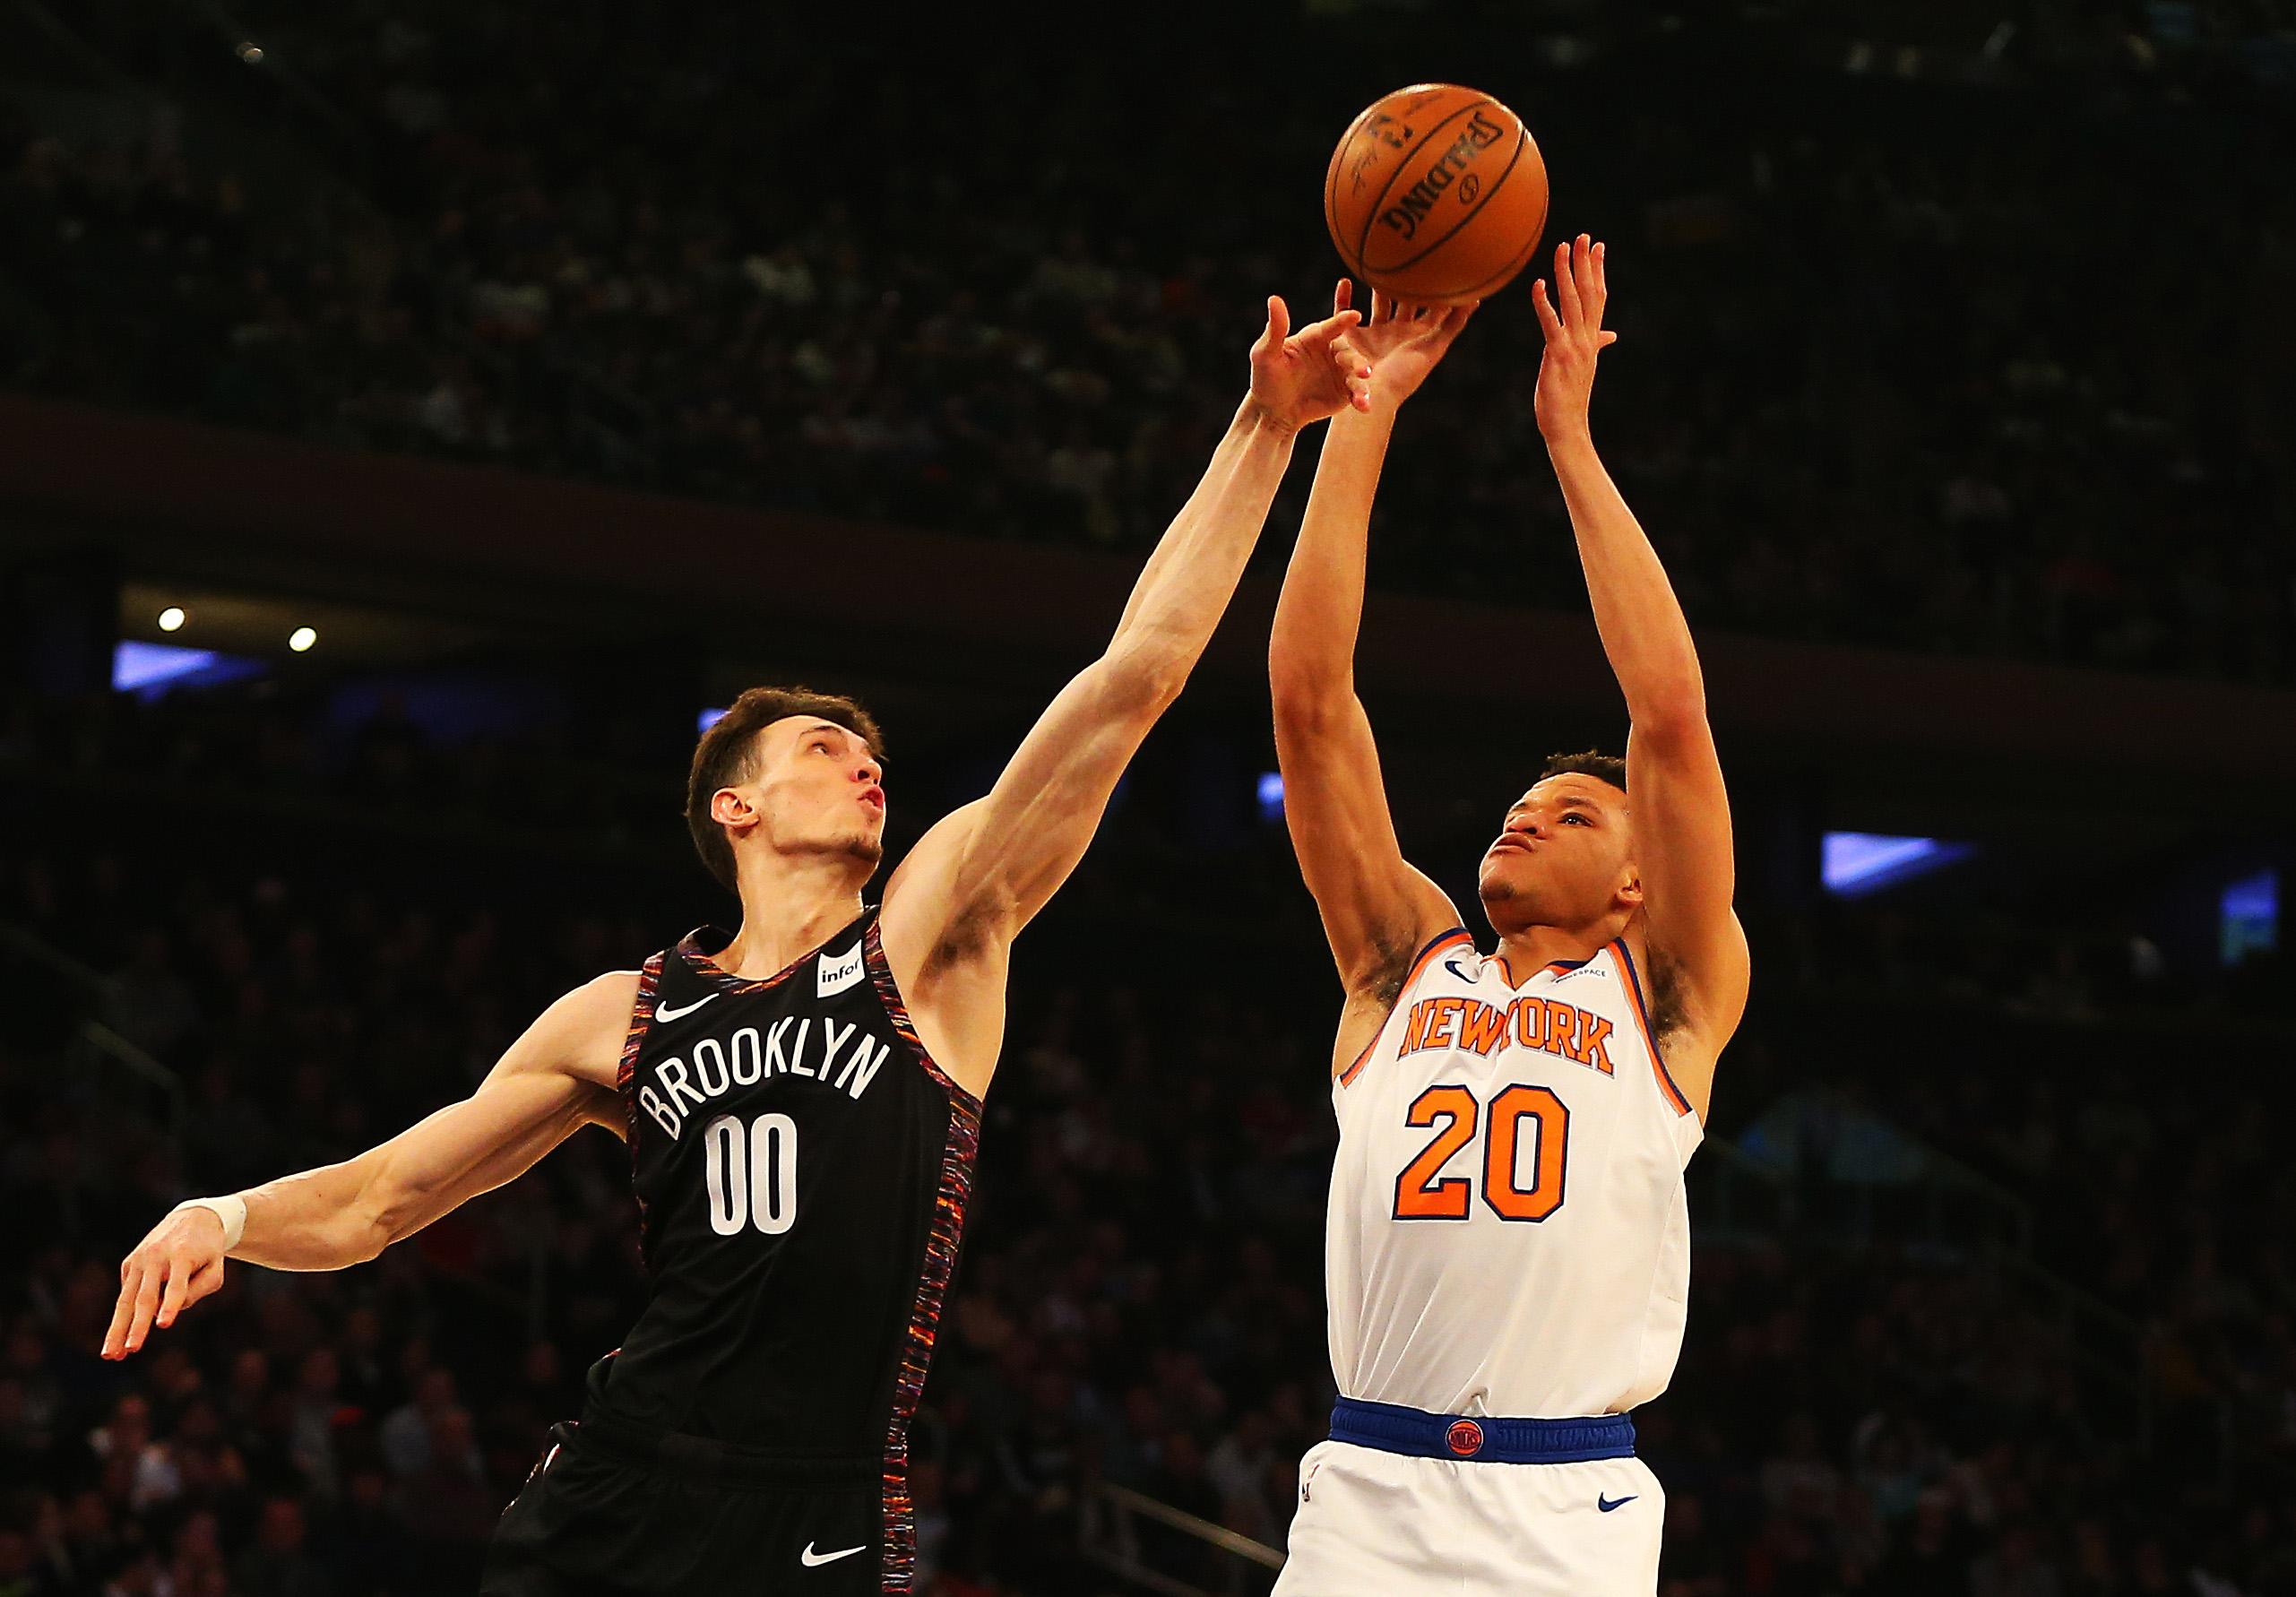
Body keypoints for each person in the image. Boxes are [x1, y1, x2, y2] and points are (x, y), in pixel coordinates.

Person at [101, 294, 1377, 1596]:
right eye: (825, 749)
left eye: (872, 751)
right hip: (618, 1482)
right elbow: (383, 1200)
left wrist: (1264, 426)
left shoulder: (930, 940)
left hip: (813, 1505)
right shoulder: (619, 1014)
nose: (865, 764)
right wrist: (223, 1212)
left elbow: (1132, 678)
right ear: (737, 804)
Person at [1265, 237, 1750, 1595]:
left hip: (1563, 1506)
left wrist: (1569, 440)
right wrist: (1364, 416)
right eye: (1521, 804)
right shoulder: (1395, 961)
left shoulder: (1668, 993)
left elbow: (1669, 715)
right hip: (1366, 1493)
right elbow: (1308, 699)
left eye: (1574, 815)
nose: (1523, 817)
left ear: (1639, 884)